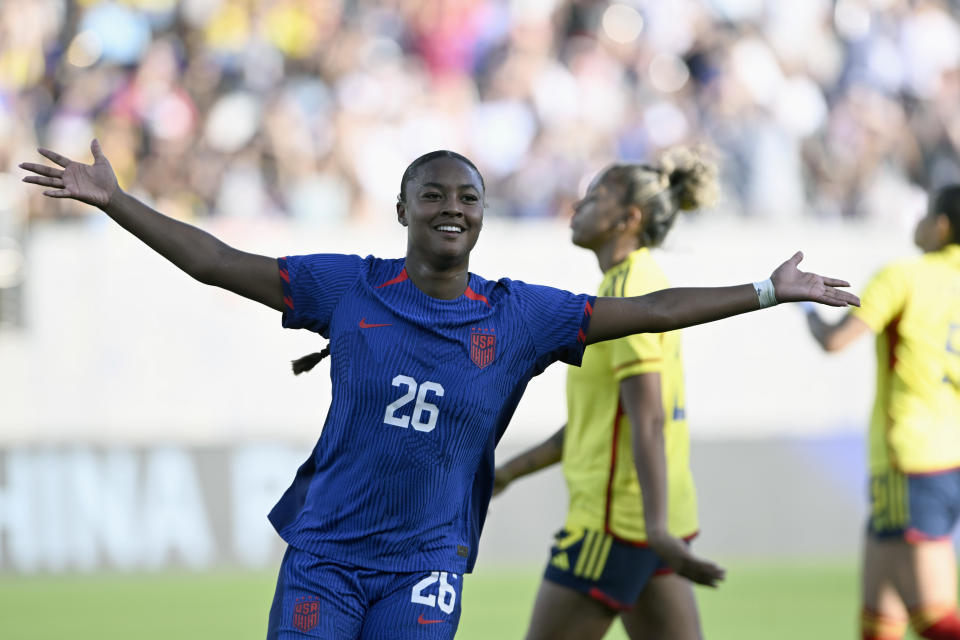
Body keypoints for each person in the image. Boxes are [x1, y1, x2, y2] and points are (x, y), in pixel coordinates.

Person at [21, 140, 858, 640]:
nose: (451, 206)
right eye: (434, 195)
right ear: (402, 210)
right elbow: (215, 262)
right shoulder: (345, 289)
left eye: (468, 196)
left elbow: (651, 311)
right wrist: (119, 202)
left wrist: (766, 291)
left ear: (483, 215)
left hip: (427, 565)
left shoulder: (521, 314)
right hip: (326, 559)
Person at [493, 150, 722, 640]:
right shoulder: (628, 284)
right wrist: (508, 473)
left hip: (615, 522)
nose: (579, 205)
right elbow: (597, 423)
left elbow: (648, 418)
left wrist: (655, 529)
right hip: (646, 521)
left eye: (595, 196)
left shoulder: (630, 290)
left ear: (628, 218)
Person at [803, 185, 960, 640]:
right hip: (950, 456)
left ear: (942, 225)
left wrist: (808, 316)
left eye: (926, 214)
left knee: (933, 617)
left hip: (910, 459)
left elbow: (837, 340)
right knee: (880, 612)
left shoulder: (903, 276)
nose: (918, 223)